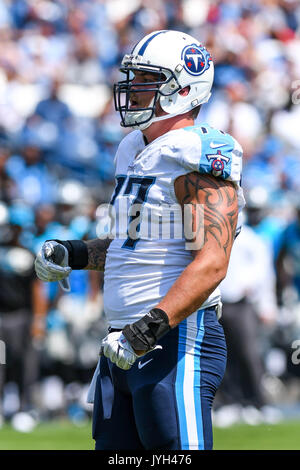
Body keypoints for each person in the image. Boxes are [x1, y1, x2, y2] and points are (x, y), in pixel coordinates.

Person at [35, 30, 245, 450]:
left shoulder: (197, 152)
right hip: (122, 341)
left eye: (147, 80)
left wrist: (145, 331)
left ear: (184, 88)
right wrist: (73, 253)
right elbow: (130, 245)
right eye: (132, 78)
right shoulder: (134, 147)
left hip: (173, 338)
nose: (132, 90)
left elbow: (212, 263)